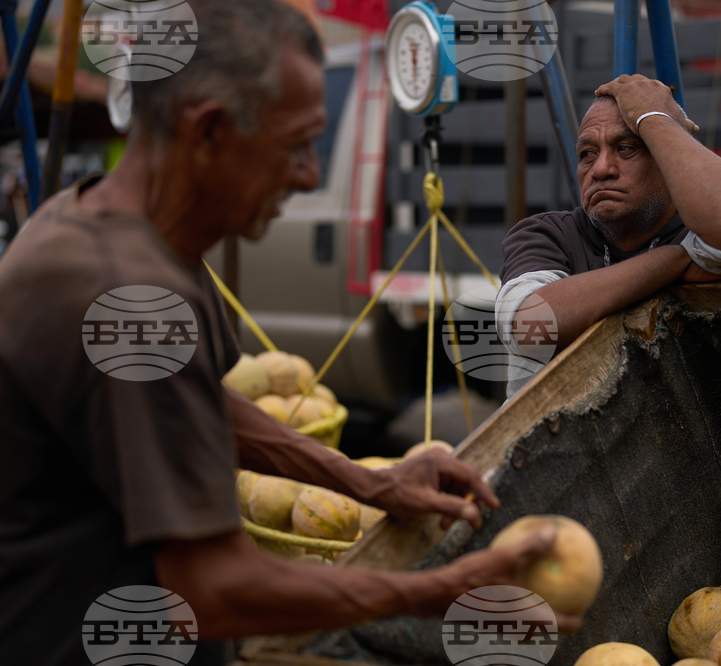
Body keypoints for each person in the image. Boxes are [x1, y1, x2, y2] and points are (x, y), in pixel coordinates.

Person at [0, 3, 575, 665]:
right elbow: (214, 588)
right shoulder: (126, 291)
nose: (308, 175)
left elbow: (201, 404)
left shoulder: (111, 226)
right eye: (297, 145)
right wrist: (433, 591)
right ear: (209, 130)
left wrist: (367, 482)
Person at [496, 75, 721, 398]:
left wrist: (655, 119)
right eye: (587, 153)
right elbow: (531, 327)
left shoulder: (710, 223)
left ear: (669, 156)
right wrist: (677, 260)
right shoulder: (549, 234)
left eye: (626, 148)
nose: (600, 169)